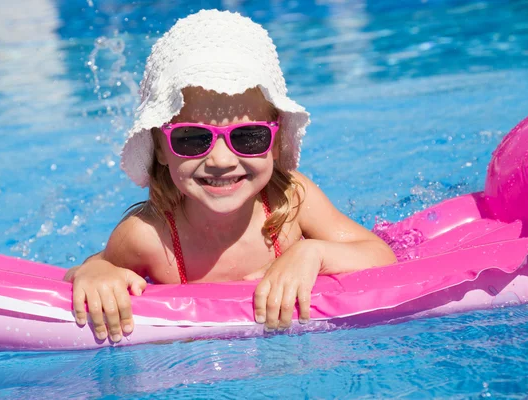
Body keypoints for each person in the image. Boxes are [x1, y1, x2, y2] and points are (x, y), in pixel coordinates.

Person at [64, 9, 397, 343]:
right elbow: (92, 268)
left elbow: (381, 256)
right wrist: (96, 271)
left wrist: (312, 254)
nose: (221, 160)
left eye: (248, 136)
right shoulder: (149, 237)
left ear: (277, 142)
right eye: (192, 138)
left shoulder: (291, 202)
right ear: (161, 149)